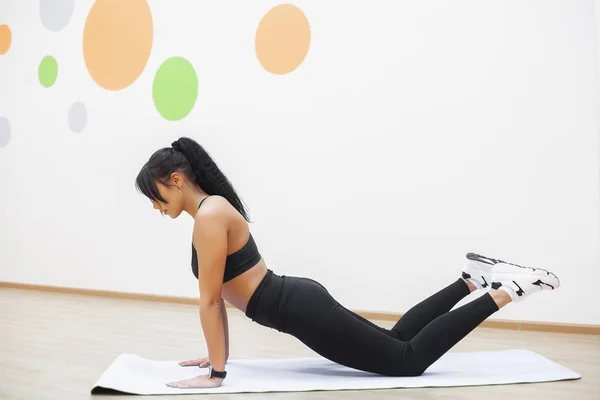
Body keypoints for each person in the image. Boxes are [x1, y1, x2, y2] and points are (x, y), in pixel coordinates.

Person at [135, 137, 560, 389]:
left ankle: (506, 290)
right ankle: (471, 282)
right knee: (395, 341)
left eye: (156, 195)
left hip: (298, 309)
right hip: (298, 303)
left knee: (407, 361)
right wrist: (215, 362)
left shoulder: (208, 217)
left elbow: (209, 301)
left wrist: (217, 375)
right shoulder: (211, 212)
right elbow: (219, 299)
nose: (156, 206)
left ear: (176, 179)